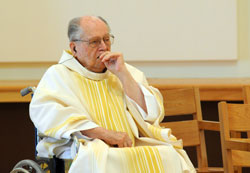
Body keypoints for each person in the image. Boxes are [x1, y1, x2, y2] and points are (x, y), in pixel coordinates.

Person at [29, 15, 195, 172]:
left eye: (106, 39)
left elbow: (151, 115)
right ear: (74, 48)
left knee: (168, 155)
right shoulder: (59, 75)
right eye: (94, 42)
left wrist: (122, 74)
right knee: (102, 158)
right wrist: (105, 134)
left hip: (130, 143)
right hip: (87, 144)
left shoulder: (125, 71)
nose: (103, 46)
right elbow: (51, 115)